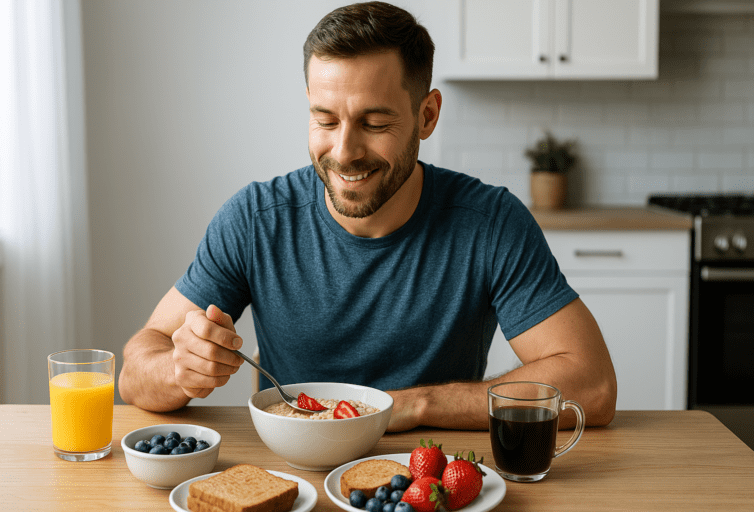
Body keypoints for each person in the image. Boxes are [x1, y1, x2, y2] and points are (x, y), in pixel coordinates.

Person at [118, 1, 617, 432]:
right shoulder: (255, 219)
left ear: (427, 116)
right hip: (300, 479)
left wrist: (415, 404)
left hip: (433, 475)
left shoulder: (489, 222)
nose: (344, 151)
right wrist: (179, 369)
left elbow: (592, 386)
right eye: (325, 119)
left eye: (374, 123)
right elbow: (137, 366)